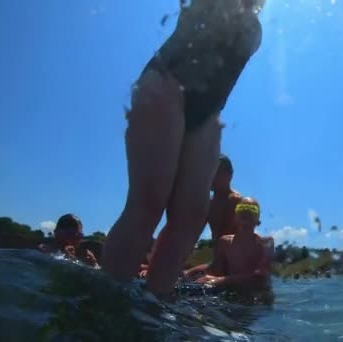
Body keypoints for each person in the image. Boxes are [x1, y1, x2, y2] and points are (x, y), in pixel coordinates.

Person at [101, 0, 265, 297]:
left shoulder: (255, 26)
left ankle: (155, 304)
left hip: (207, 112)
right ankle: (106, 302)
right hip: (167, 82)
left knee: (191, 216)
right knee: (150, 200)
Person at [194, 197, 274, 291]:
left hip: (257, 297)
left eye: (252, 209)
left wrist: (220, 280)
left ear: (258, 221)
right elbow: (217, 271)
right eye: (241, 207)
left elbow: (261, 278)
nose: (246, 210)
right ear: (235, 218)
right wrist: (193, 274)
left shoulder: (266, 242)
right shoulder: (225, 242)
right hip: (230, 291)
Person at [182, 154, 242, 279]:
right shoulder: (208, 203)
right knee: (181, 274)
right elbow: (194, 235)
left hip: (236, 264)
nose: (209, 178)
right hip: (216, 263)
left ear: (229, 175)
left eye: (214, 173)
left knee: (186, 276)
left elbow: (228, 240)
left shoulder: (235, 201)